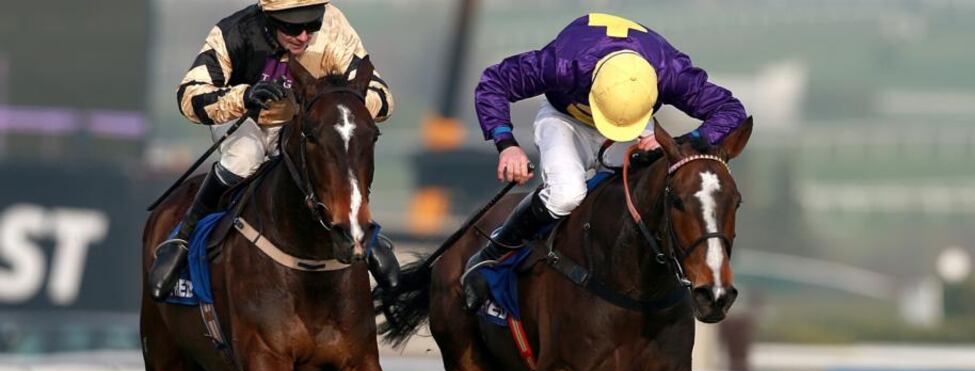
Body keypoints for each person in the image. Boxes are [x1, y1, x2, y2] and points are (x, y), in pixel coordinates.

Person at [462, 13, 748, 312]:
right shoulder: (563, 64)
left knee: (658, 185)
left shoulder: (671, 71)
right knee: (566, 195)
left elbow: (730, 110)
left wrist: (685, 140)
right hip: (566, 119)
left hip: (637, 124)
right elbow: (494, 82)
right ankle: (491, 255)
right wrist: (506, 144)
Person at [148, 0, 398, 302]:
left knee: (338, 150)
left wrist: (335, 104)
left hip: (303, 121)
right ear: (268, 19)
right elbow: (189, 96)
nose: (304, 36)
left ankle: (367, 236)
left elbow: (381, 96)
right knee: (245, 158)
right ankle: (183, 236)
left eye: (311, 24)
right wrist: (245, 96)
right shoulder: (234, 32)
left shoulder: (334, 24)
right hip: (249, 119)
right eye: (292, 27)